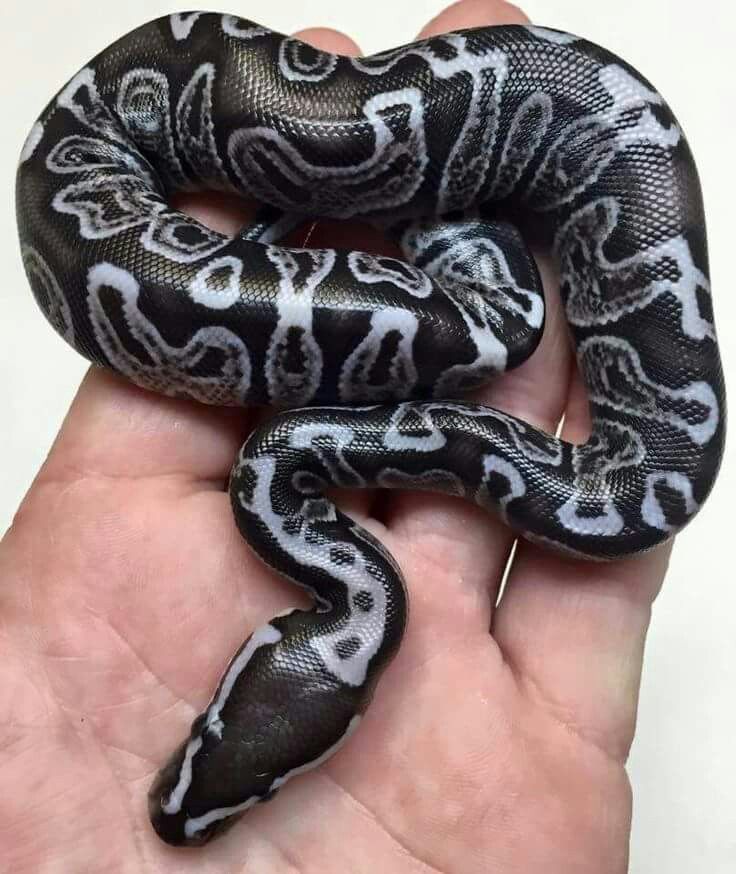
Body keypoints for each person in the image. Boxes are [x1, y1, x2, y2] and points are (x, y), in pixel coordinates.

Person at [2, 1, 671, 869]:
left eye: (212, 723)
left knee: (499, 331)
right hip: (136, 126)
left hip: (125, 143)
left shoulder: (284, 479)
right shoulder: (281, 472)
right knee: (499, 329)